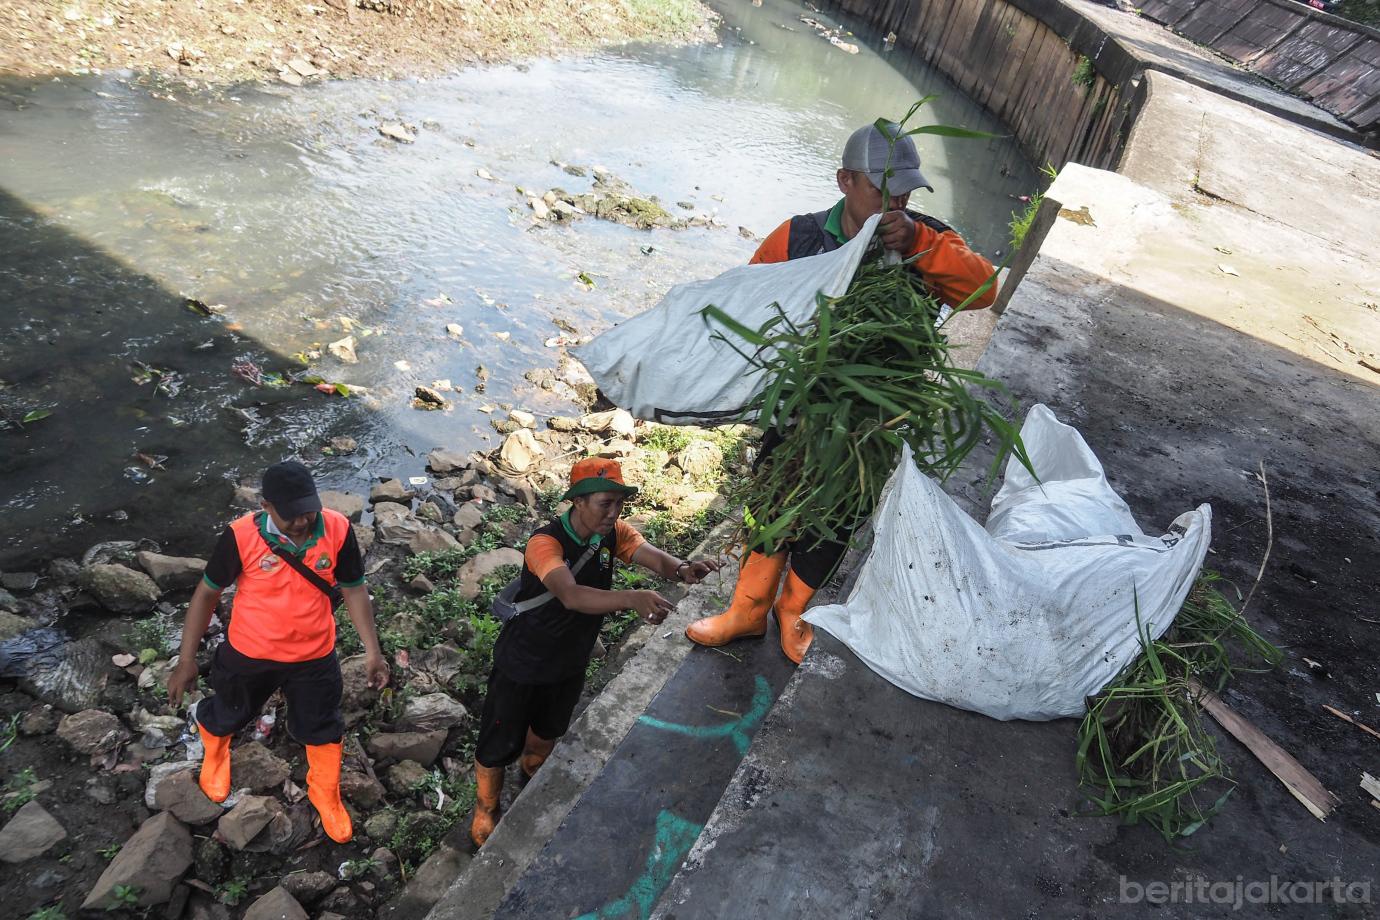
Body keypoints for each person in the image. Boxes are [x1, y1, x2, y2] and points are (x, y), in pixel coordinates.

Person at [684, 121, 999, 666]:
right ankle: (747, 611)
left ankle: (794, 614)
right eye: (883, 188)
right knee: (769, 505)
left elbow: (984, 290)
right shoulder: (799, 237)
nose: (896, 201)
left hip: (872, 422)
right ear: (845, 181)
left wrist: (920, 245)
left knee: (838, 516)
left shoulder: (931, 238)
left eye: (905, 191)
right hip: (799, 410)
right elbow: (746, 302)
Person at [470, 457, 721, 847]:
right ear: (579, 502)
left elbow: (649, 553)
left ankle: (533, 772)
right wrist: (632, 597)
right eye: (606, 503)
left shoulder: (612, 532)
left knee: (547, 731)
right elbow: (569, 594)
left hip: (569, 659)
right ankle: (486, 809)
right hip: (523, 663)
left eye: (619, 504)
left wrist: (682, 569)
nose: (614, 512)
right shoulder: (545, 543)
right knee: (496, 744)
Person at [167, 461, 389, 844]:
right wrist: (187, 660)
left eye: (308, 511)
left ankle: (324, 791)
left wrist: (373, 651)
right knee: (230, 712)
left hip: (314, 654)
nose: (302, 522)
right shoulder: (239, 536)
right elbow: (206, 593)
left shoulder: (336, 528)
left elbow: (353, 588)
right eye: (291, 516)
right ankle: (216, 752)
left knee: (322, 725)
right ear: (266, 506)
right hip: (250, 652)